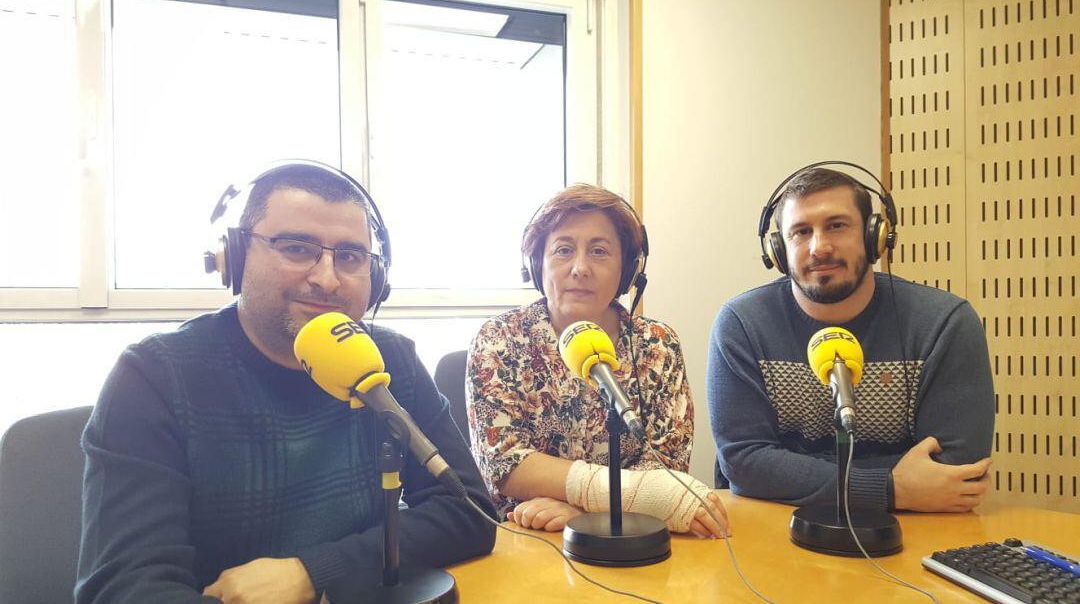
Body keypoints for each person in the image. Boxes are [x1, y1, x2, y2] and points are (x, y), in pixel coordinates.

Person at [76, 162, 496, 604]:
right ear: (233, 257)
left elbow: (467, 512)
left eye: (350, 257)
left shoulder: (390, 360)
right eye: (296, 249)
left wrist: (312, 572)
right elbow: (125, 587)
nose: (327, 278)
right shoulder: (156, 376)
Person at [707, 166, 994, 513]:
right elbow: (744, 462)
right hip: (776, 528)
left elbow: (955, 471)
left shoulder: (943, 324)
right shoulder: (743, 325)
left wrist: (791, 469)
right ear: (778, 250)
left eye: (837, 226)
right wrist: (890, 487)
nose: (819, 247)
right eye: (800, 232)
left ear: (876, 236)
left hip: (913, 531)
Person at [467, 184, 728, 539]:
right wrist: (615, 495)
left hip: (630, 535)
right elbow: (505, 463)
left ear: (627, 270)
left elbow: (666, 464)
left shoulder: (658, 345)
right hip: (532, 537)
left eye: (599, 251)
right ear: (537, 265)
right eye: (563, 250)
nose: (580, 268)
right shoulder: (499, 339)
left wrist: (584, 507)